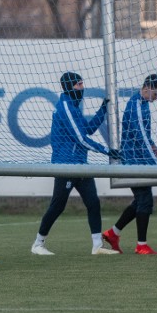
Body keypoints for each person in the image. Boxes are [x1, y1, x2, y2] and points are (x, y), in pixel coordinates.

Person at [31, 72, 120, 256]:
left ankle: (97, 246)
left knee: (93, 203)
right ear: (70, 86)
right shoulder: (65, 107)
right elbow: (81, 139)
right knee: (58, 205)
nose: (82, 88)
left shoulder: (73, 106)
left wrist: (102, 109)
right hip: (66, 165)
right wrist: (106, 150)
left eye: (82, 84)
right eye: (79, 84)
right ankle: (38, 244)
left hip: (80, 164)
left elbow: (86, 130)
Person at [102, 74, 157, 255]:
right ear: (147, 87)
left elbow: (143, 133)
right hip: (133, 161)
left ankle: (113, 233)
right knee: (145, 200)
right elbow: (139, 135)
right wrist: (155, 163)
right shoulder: (136, 105)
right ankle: (141, 245)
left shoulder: (143, 104)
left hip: (140, 160)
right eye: (156, 94)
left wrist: (152, 145)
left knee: (141, 200)